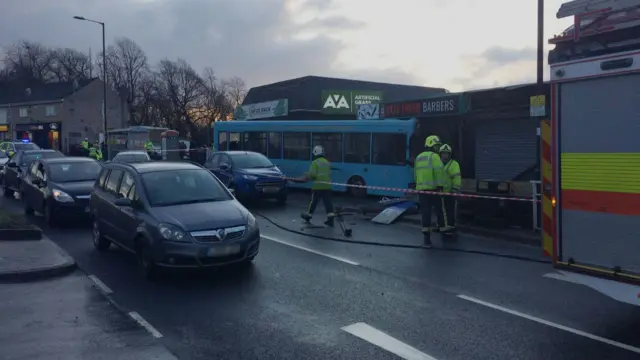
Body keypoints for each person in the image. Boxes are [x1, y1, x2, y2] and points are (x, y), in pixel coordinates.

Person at [414, 135, 446, 247]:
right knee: (439, 211)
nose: (438, 148)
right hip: (434, 190)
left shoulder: (418, 157)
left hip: (422, 191)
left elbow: (415, 175)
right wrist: (440, 186)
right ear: (431, 145)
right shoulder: (434, 157)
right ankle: (443, 234)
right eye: (436, 146)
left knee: (425, 213)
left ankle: (426, 240)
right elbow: (439, 172)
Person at [297, 145, 336, 227]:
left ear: (315, 153)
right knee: (328, 202)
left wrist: (307, 175)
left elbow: (312, 175)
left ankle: (308, 216)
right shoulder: (327, 162)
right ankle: (330, 219)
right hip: (327, 186)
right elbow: (329, 173)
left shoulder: (315, 162)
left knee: (313, 202)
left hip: (318, 186)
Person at [439, 144, 461, 236]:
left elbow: (457, 178)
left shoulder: (454, 164)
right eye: (443, 153)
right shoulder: (438, 163)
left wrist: (455, 189)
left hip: (450, 191)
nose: (445, 155)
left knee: (450, 209)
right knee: (441, 209)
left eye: (447, 154)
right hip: (439, 191)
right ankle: (442, 225)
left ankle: (451, 225)